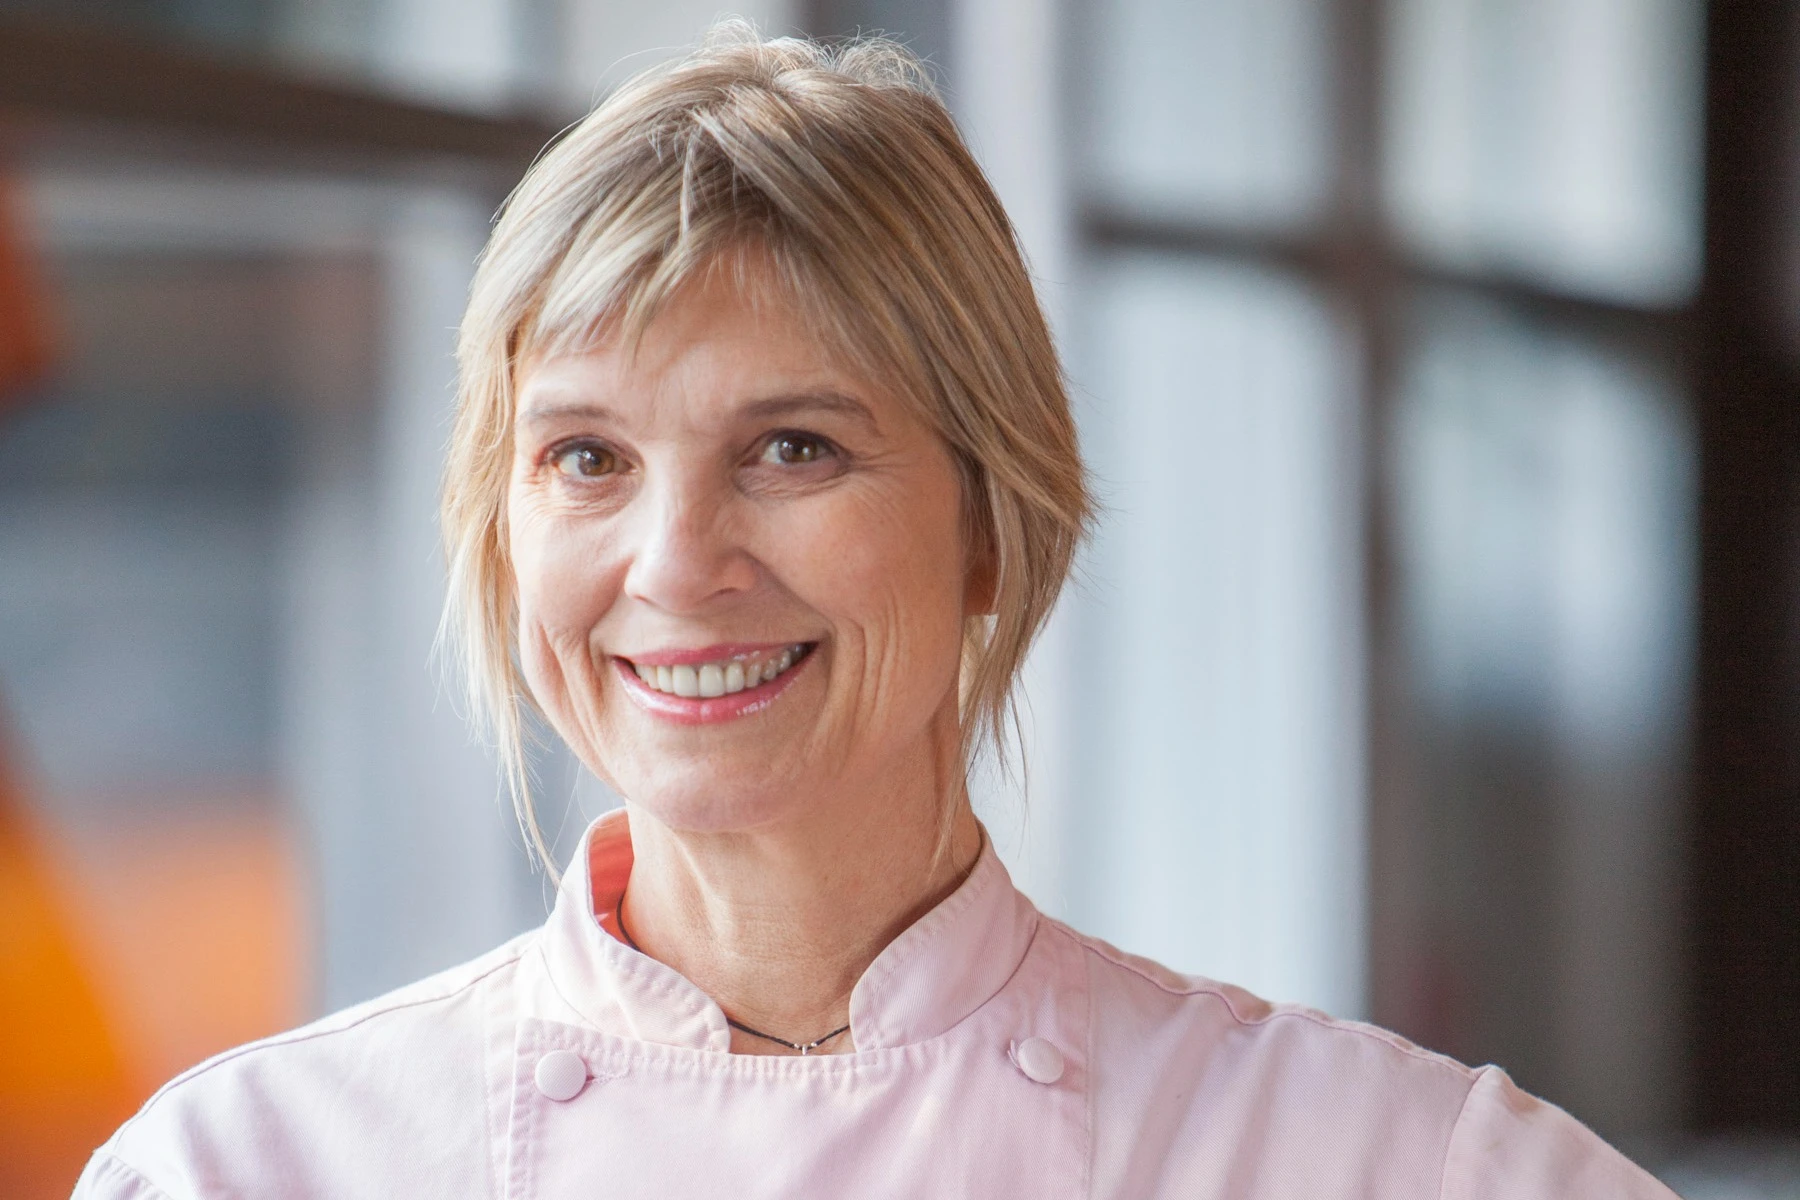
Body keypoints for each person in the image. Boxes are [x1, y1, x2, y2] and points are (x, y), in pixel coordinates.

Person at [76, 24, 1675, 1199]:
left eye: (794, 448)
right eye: (586, 457)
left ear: (994, 521)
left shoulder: (1373, 1165)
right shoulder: (249, 1169)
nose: (677, 561)